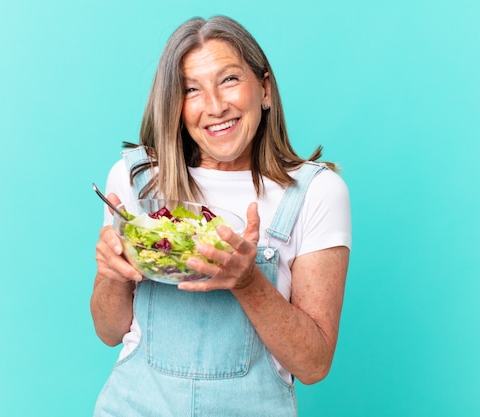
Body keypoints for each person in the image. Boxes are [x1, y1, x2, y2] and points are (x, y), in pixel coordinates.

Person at [91, 15, 351, 417]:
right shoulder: (136, 180)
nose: (214, 106)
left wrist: (248, 282)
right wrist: (113, 273)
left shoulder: (316, 192)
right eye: (191, 89)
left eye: (229, 79)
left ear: (264, 89)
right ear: (175, 106)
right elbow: (108, 332)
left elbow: (314, 365)